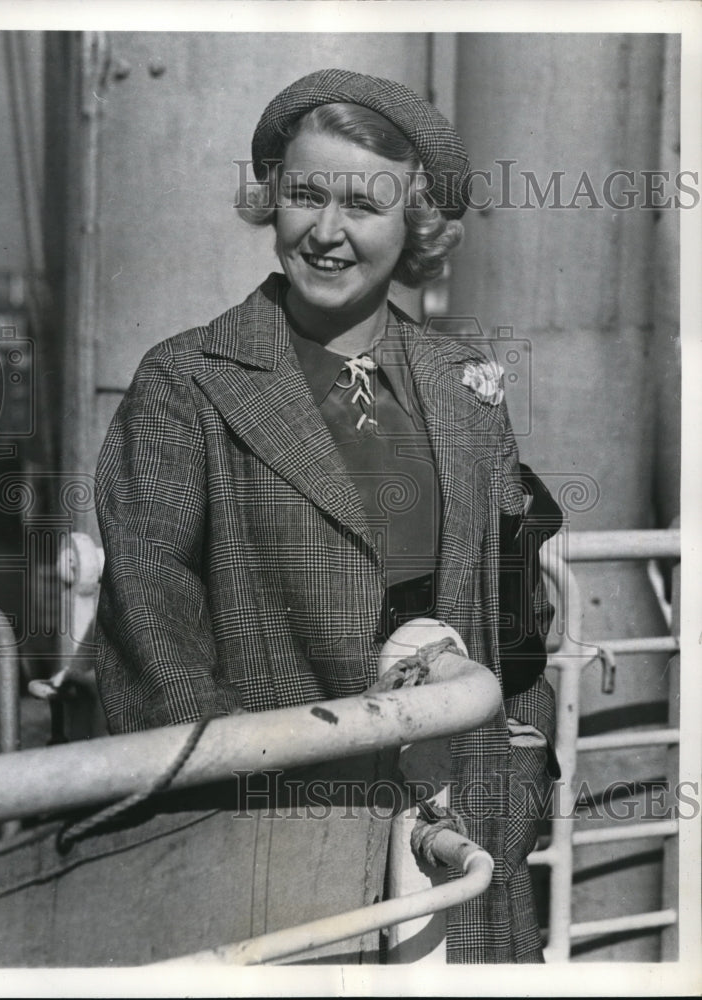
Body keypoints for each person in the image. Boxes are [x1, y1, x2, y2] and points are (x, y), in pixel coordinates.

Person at [94, 68, 562, 963]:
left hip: (462, 847)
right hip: (275, 867)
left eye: (364, 204)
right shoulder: (186, 383)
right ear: (271, 201)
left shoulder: (468, 389)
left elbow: (518, 624)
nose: (328, 230)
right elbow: (152, 646)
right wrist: (269, 826)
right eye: (305, 194)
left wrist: (516, 797)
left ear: (415, 223)